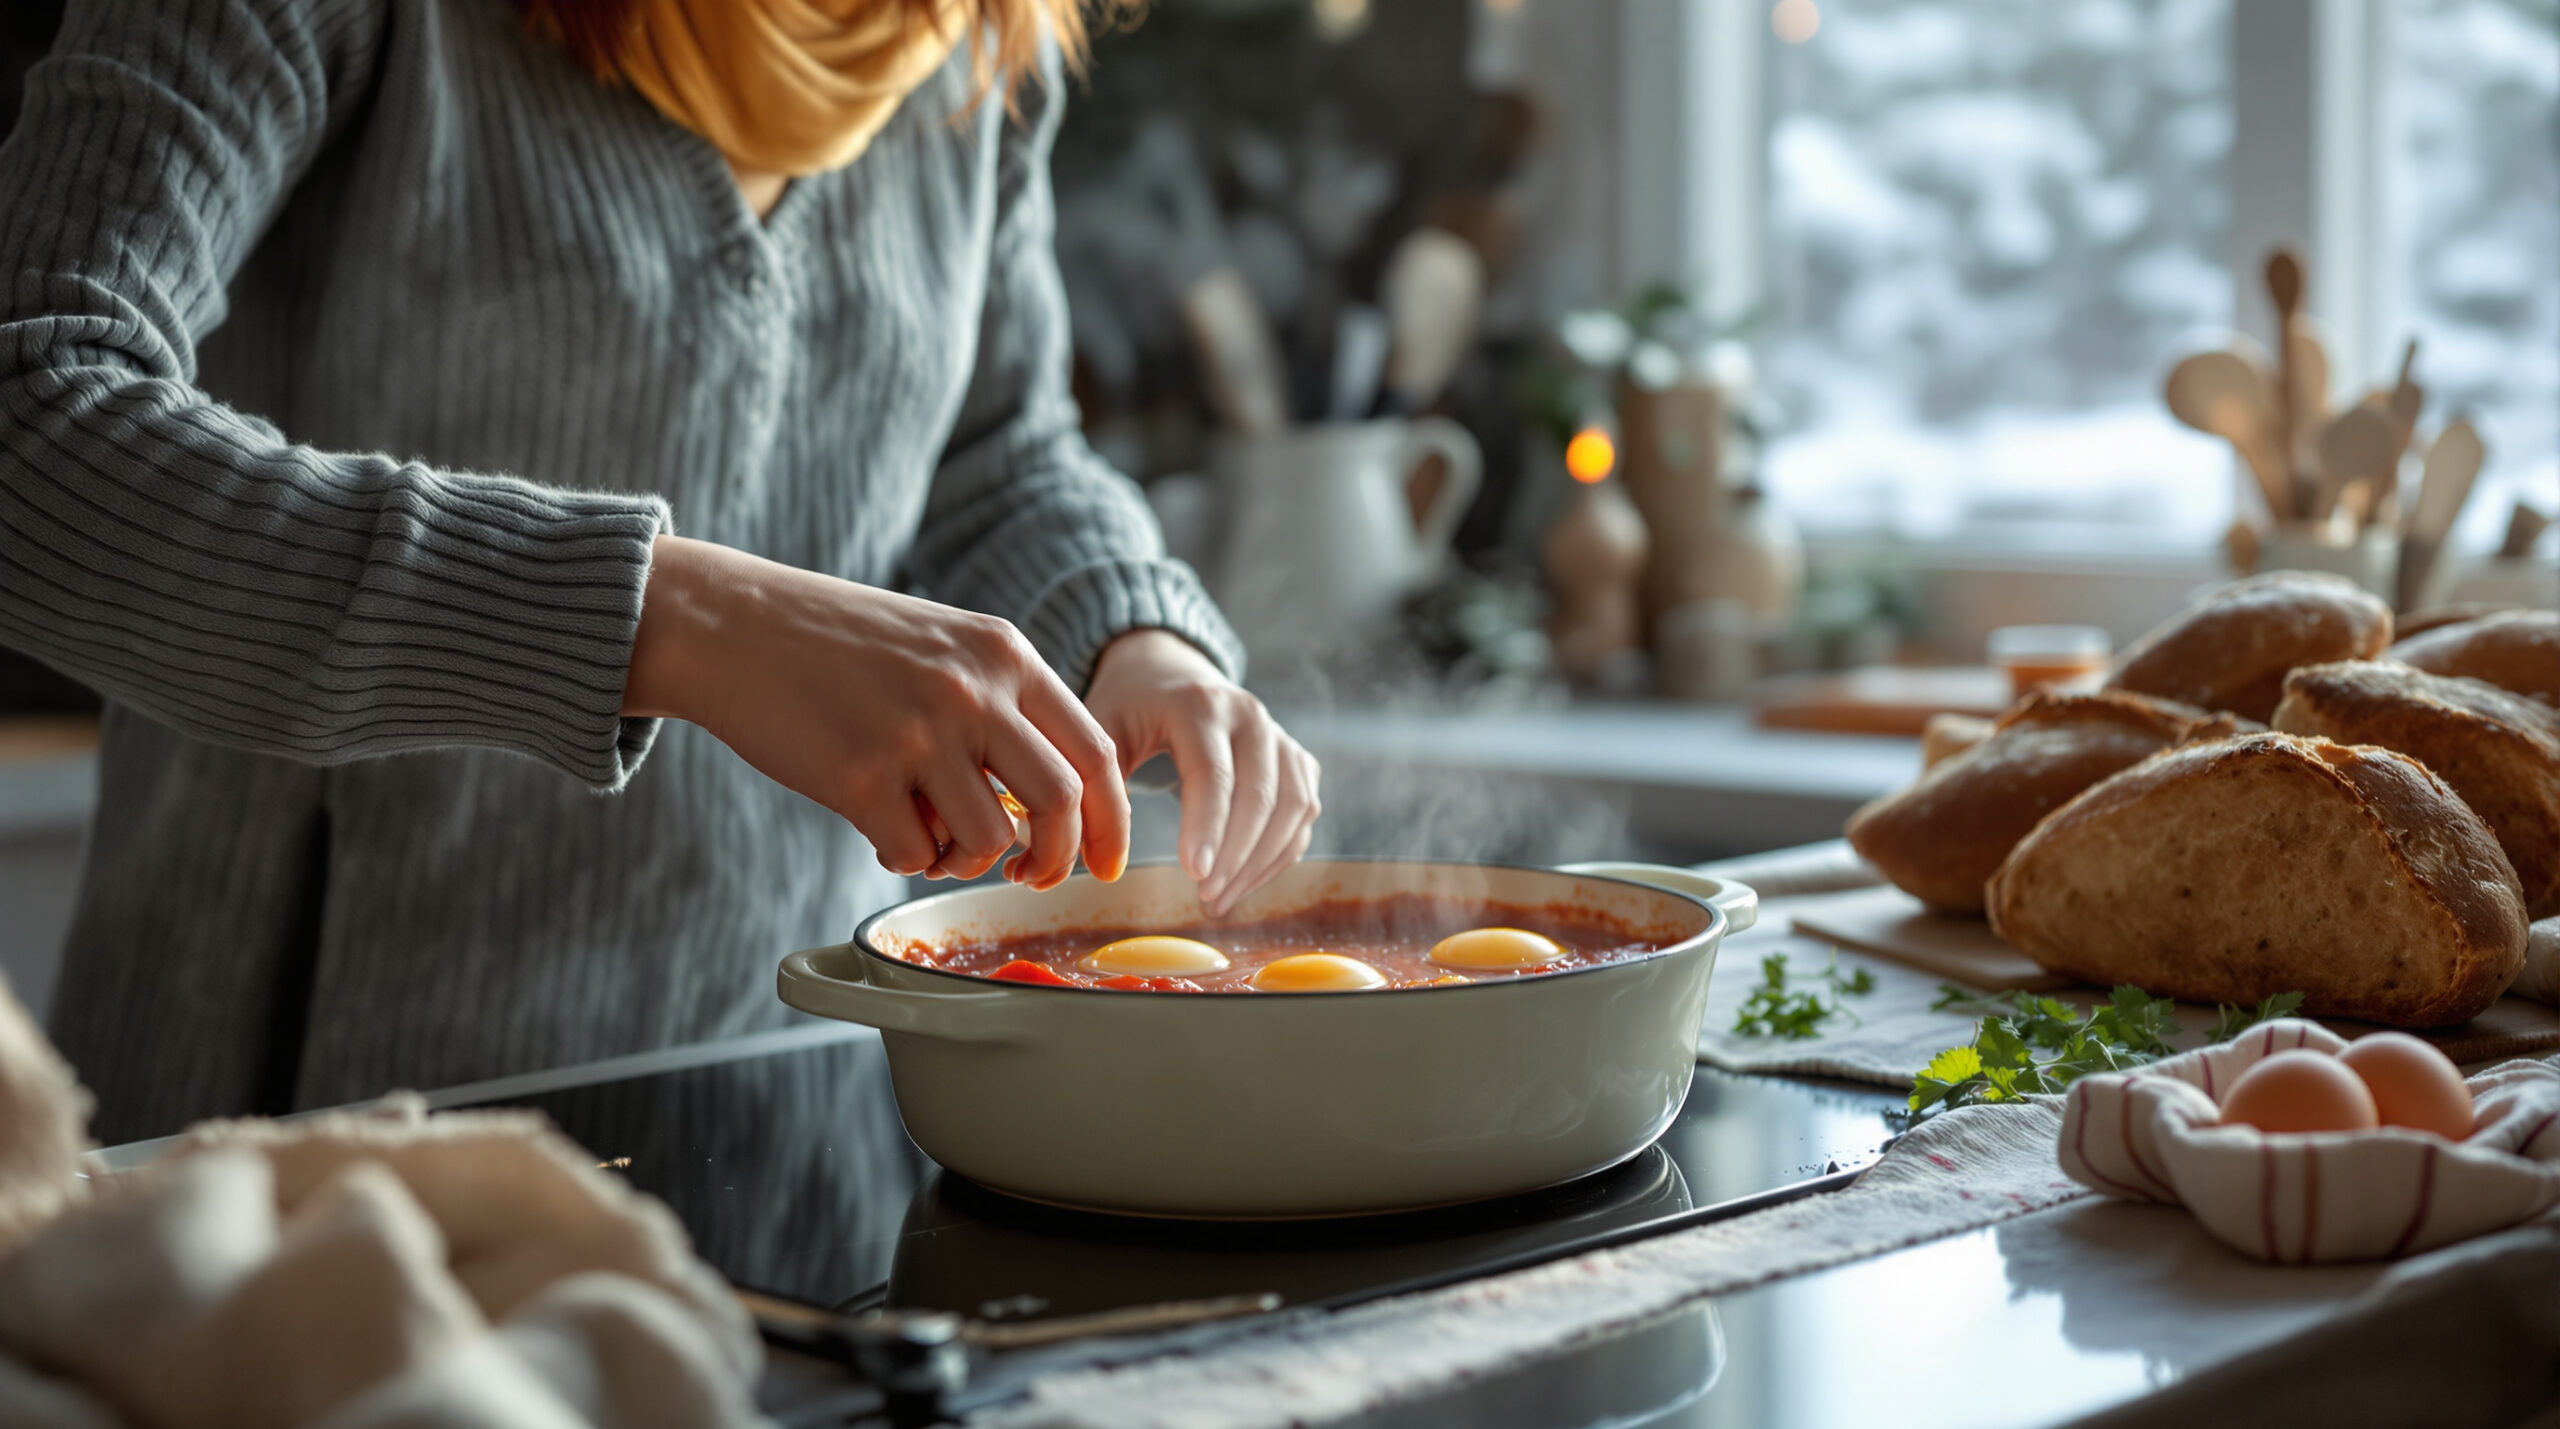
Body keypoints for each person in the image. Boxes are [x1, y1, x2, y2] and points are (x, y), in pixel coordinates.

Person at [0, 0, 1322, 1145]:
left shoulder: (969, 37)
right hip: (314, 1171)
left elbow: (996, 452)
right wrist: (675, 621)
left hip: (819, 1131)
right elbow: (30, 417)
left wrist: (1133, 635)